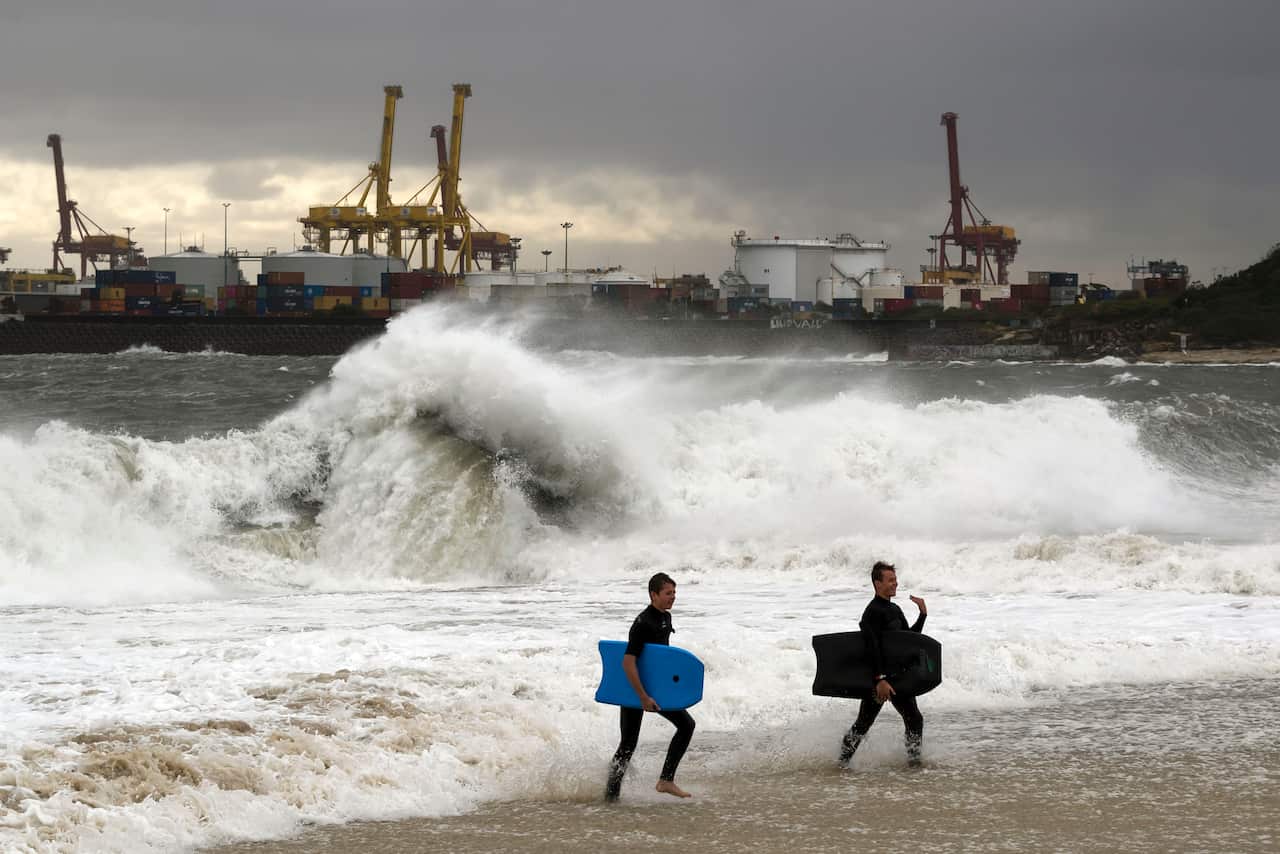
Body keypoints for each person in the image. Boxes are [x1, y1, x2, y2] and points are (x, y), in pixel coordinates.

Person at [605, 572, 696, 801]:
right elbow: (628, 662)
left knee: (686, 725)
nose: (672, 597)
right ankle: (610, 796)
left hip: (657, 688)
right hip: (636, 689)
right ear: (653, 594)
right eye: (668, 593)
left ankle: (666, 780)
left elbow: (660, 659)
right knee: (628, 744)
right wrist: (643, 697)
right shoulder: (643, 623)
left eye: (674, 592)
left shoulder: (666, 617)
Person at [838, 561, 928, 768]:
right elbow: (872, 647)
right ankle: (841, 763)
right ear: (877, 584)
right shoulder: (872, 612)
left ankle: (914, 764)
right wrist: (880, 679)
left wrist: (922, 615)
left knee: (914, 719)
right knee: (863, 724)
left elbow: (909, 640)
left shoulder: (894, 609)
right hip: (881, 679)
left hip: (898, 677)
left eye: (895, 580)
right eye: (890, 580)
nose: (895, 584)